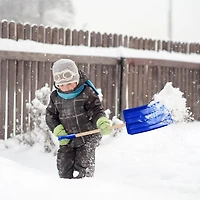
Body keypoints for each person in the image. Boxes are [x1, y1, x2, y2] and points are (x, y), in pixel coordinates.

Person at [46, 59, 111, 179]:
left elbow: (96, 110)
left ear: (77, 79)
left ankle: (83, 187)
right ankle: (65, 188)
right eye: (62, 85)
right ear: (57, 84)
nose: (67, 88)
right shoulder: (55, 97)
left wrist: (101, 121)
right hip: (68, 138)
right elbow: (50, 116)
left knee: (84, 164)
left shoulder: (87, 93)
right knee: (64, 166)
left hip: (88, 136)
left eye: (70, 83)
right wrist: (58, 130)